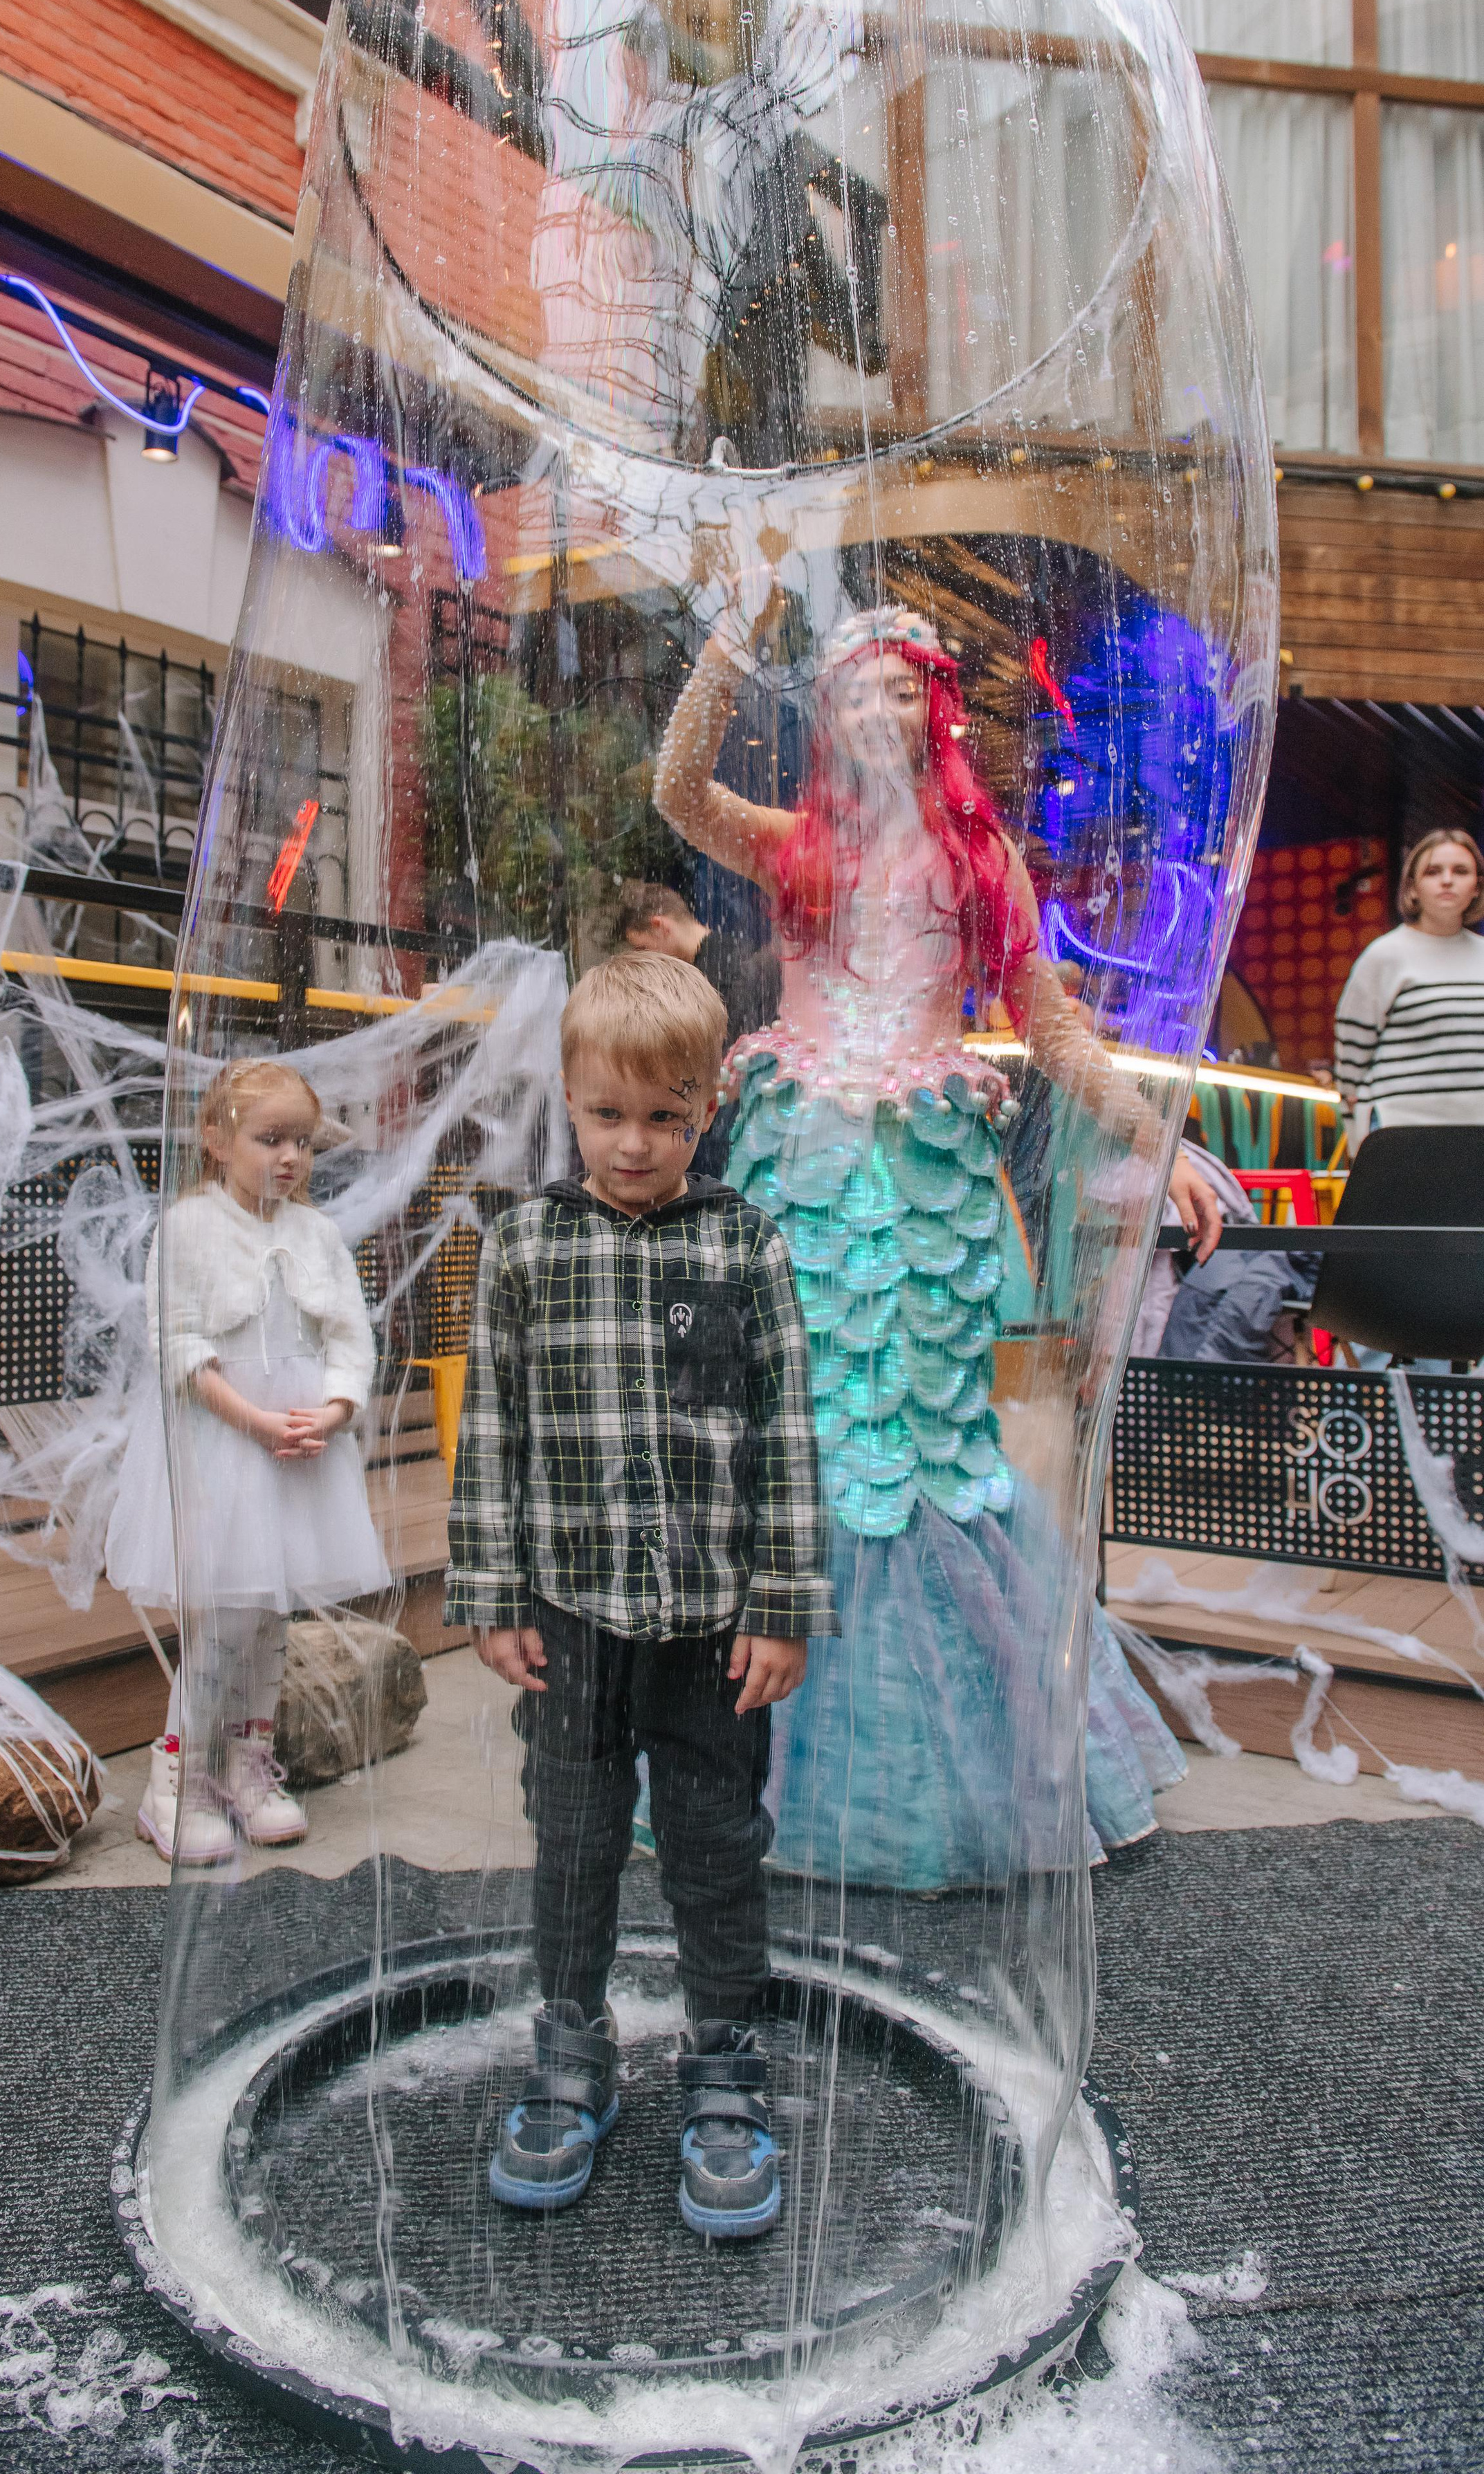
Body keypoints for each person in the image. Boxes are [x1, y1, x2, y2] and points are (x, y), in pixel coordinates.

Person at [653, 587, 1220, 1890]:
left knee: (923, 1442)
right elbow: (679, 788)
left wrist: (1152, 1134)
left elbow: (1053, 1025)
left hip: (923, 1174)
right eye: (855, 687)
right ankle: (762, 1750)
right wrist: (737, 639)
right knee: (801, 1429)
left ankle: (932, 1774)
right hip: (801, 1164)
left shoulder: (981, 864)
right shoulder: (796, 846)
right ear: (828, 716)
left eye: (903, 686)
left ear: (936, 712)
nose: (879, 706)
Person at [445, 951, 832, 2238]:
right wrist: (492, 1590)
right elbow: (492, 1426)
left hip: (715, 1623)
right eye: (610, 1114)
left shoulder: (745, 1245)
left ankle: (725, 2056)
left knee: (719, 1843)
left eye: (667, 1117)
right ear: (569, 1097)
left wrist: (781, 1601)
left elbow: (787, 1434)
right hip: (569, 1613)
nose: (635, 1143)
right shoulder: (525, 1245)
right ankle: (571, 2045)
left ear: (707, 1108)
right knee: (574, 1835)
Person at [107, 1059, 390, 1864]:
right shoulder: (189, 1228)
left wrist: (333, 1412)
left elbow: (348, 1336)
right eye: (270, 1139)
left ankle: (245, 1761)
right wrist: (255, 1421)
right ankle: (177, 1777)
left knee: (267, 1616)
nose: (290, 1157)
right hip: (225, 1445)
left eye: (301, 1141)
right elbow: (181, 1347)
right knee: (222, 1619)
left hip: (297, 1449)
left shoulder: (317, 1234)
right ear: (217, 1139)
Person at [614, 880, 782, 1178]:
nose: (647, 958)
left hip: (729, 1126)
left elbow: (726, 1065)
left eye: (643, 947)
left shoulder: (717, 971)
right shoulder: (727, 957)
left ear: (661, 926)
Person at [1334, 829, 1484, 1146]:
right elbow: (1351, 1070)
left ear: (1477, 888)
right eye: (1433, 871)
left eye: (1460, 871)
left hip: (1478, 1134)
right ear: (1413, 888)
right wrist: (1358, 1140)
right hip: (1403, 1135)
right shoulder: (1384, 956)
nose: (1447, 880)